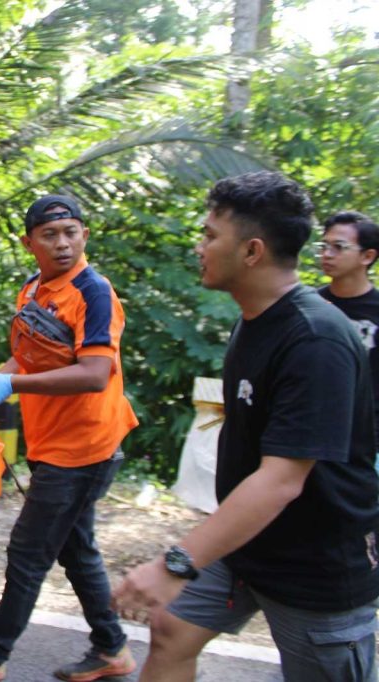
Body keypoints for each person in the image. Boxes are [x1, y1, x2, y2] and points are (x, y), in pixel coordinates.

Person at [113, 172, 379, 682]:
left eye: (211, 236)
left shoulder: (315, 339)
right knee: (171, 627)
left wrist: (175, 563)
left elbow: (282, 480)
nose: (200, 246)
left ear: (252, 251)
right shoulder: (254, 318)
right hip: (247, 545)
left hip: (315, 563)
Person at [0, 194, 139, 682]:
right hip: (51, 441)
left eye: (71, 233)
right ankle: (112, 649)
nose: (62, 243)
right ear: (30, 244)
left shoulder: (94, 292)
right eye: (50, 235)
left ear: (84, 236)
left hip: (85, 447)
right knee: (75, 547)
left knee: (29, 551)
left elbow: (93, 374)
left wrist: (12, 386)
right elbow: (26, 358)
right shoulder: (33, 291)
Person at [317, 211, 379, 472]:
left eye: (338, 247)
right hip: (312, 434)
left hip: (368, 442)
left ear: (367, 256)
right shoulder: (309, 306)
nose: (327, 254)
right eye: (324, 246)